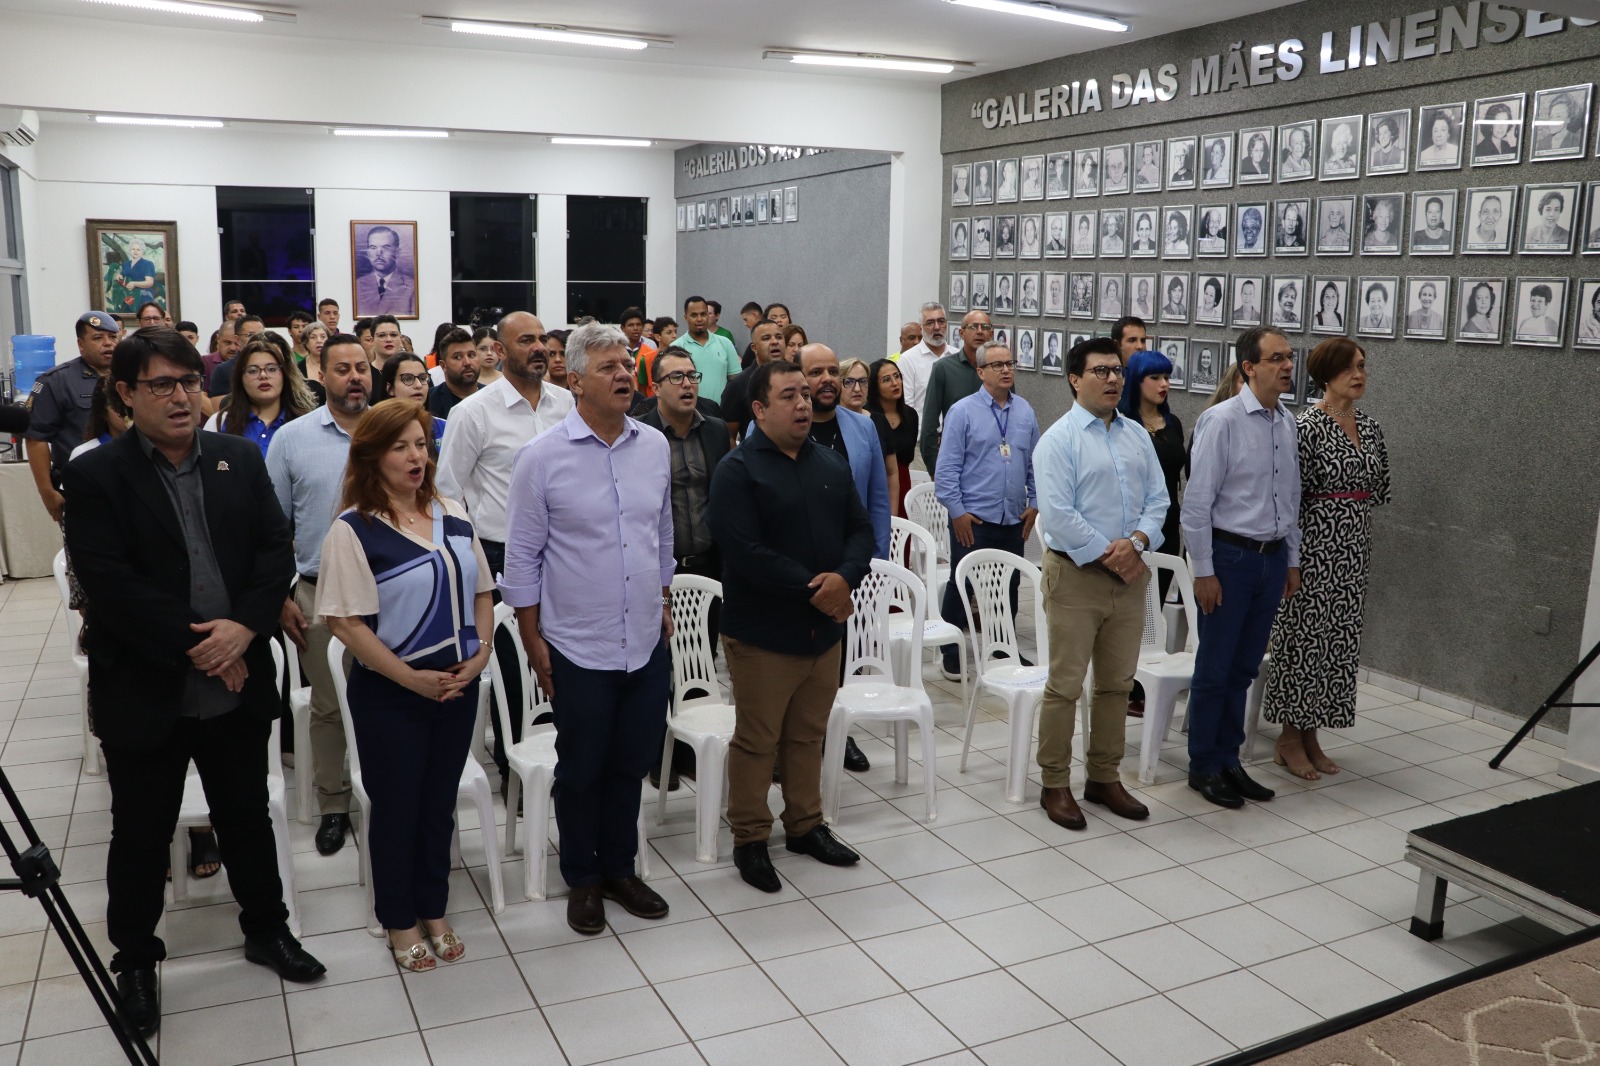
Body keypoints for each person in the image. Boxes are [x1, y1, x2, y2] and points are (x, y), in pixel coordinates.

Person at [62, 328, 326, 1037]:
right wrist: (205, 647)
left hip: (236, 679)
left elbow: (273, 550)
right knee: (141, 832)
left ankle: (266, 928)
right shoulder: (96, 475)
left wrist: (243, 629)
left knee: (245, 815)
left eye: (188, 382)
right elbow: (109, 586)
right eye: (161, 385)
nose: (181, 397)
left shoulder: (238, 458)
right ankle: (135, 961)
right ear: (125, 393)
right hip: (147, 685)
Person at [499, 323, 674, 933]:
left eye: (627, 364)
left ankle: (620, 869)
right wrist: (531, 638)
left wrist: (663, 599)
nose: (625, 375)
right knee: (581, 770)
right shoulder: (541, 458)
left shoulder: (653, 446)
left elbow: (661, 533)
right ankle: (583, 878)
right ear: (574, 380)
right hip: (577, 644)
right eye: (608, 368)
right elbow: (521, 558)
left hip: (644, 640)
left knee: (630, 763)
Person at [317, 401, 494, 970]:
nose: (416, 457)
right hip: (393, 693)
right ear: (372, 456)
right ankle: (398, 918)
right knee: (397, 809)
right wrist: (411, 679)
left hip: (456, 688)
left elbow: (483, 593)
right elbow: (345, 623)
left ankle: (433, 908)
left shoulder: (452, 512)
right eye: (400, 447)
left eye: (421, 444)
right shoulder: (354, 529)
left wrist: (480, 655)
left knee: (438, 805)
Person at [710, 360, 875, 893]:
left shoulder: (829, 462)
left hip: (822, 631)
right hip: (764, 633)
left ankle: (805, 825)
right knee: (758, 741)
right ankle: (750, 838)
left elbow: (860, 530)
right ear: (759, 410)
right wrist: (818, 589)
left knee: (808, 735)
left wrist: (845, 577)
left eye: (805, 393)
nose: (804, 403)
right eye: (789, 396)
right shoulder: (737, 470)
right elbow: (744, 551)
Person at [1034, 337, 1168, 829]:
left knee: (1116, 685)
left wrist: (1136, 543)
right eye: (1100, 371)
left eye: (1117, 370)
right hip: (1076, 575)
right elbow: (1059, 516)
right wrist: (1114, 555)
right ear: (1075, 379)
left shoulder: (1135, 435)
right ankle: (1054, 783)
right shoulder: (1059, 440)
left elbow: (1159, 500)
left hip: (1129, 575)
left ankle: (1104, 776)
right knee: (1065, 686)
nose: (1113, 379)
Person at [1180, 326, 1301, 809]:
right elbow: (1196, 505)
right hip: (1228, 559)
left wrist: (1291, 560)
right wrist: (1203, 571)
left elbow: (1289, 498)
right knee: (1215, 667)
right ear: (1249, 367)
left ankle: (1229, 758)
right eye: (1276, 358)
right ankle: (1203, 765)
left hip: (1271, 560)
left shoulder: (1286, 422)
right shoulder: (1222, 420)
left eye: (1289, 357)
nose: (1287, 366)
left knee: (1244, 667)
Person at [1261, 339, 1389, 780]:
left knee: (1336, 643)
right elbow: (1288, 497)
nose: (1359, 375)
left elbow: (1379, 488)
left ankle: (1311, 733)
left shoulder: (1370, 427)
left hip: (1353, 551)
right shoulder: (1306, 426)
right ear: (1327, 374)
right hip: (1313, 548)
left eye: (1363, 367)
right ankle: (1287, 737)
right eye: (1350, 368)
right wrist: (1291, 560)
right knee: (1302, 641)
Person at [265, 334, 373, 856]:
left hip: (393, 593)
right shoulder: (292, 439)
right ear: (321, 376)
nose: (355, 377)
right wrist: (280, 594)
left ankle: (387, 791)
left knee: (389, 702)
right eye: (343, 369)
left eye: (362, 368)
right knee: (329, 705)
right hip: (319, 592)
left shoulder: (393, 429)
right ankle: (334, 803)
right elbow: (269, 527)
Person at [934, 340, 1040, 681]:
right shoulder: (962, 412)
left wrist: (1035, 504)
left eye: (1010, 363)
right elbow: (946, 472)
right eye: (997, 365)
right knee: (961, 583)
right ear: (980, 372)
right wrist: (957, 513)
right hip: (973, 519)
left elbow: (1035, 463)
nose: (1006, 370)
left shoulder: (1024, 410)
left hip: (1013, 518)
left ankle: (1002, 648)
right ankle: (950, 650)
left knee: (1009, 585)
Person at [801, 344, 892, 560]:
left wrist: (878, 560)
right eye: (816, 372)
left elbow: (878, 500)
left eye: (833, 372)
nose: (827, 379)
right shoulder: (779, 427)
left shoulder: (864, 426)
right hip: (799, 558)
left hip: (854, 557)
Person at [25, 311, 118, 523]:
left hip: (126, 482)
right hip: (79, 487)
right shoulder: (56, 381)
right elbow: (36, 438)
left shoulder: (132, 377)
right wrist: (47, 492)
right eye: (98, 338)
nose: (108, 343)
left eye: (112, 337)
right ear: (80, 344)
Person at [206, 336, 315, 454]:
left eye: (271, 369)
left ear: (284, 375)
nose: (263, 375)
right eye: (253, 371)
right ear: (240, 378)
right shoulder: (220, 422)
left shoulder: (306, 423)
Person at [919, 311, 991, 474]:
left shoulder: (1000, 370)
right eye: (973, 327)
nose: (980, 331)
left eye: (985, 327)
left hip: (991, 462)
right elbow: (929, 426)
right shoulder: (943, 368)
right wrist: (935, 470)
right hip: (956, 462)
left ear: (991, 333)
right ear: (961, 333)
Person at [868, 358, 918, 519]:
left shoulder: (910, 415)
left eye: (897, 376)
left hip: (902, 481)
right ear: (875, 386)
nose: (895, 383)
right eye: (886, 379)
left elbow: (908, 456)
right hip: (876, 482)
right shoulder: (867, 416)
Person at [721, 318, 784, 444]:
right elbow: (729, 436)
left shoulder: (796, 378)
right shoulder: (738, 385)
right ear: (754, 348)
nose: (774, 342)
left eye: (779, 337)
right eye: (766, 338)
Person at [677, 296, 741, 406]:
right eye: (694, 315)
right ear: (685, 317)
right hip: (690, 411)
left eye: (703, 314)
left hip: (721, 411)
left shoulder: (725, 343)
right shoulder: (677, 347)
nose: (699, 319)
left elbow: (736, 380)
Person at [355, 225, 415, 316]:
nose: (378, 253)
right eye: (373, 247)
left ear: (397, 252)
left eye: (386, 247)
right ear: (368, 253)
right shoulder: (357, 286)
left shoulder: (411, 287)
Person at [427, 327, 481, 419]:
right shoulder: (429, 401)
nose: (467, 362)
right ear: (443, 366)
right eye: (458, 357)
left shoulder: (494, 396)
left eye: (471, 355)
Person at [207, 314, 266, 397]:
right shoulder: (223, 370)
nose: (258, 339)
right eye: (251, 335)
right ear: (237, 339)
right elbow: (218, 403)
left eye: (261, 335)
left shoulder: (274, 365)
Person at [621, 307, 659, 393]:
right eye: (631, 325)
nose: (635, 328)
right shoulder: (617, 351)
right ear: (622, 328)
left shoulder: (650, 351)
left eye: (638, 325)